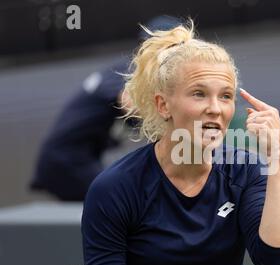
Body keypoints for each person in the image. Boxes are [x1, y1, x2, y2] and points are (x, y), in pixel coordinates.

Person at [81, 19, 280, 265]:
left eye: (226, 96)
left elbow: (274, 262)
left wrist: (279, 156)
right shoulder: (116, 188)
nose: (215, 109)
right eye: (199, 94)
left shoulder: (247, 170)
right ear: (163, 105)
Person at [28, 15, 183, 201]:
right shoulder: (129, 71)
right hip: (67, 161)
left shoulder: (136, 74)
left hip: (79, 158)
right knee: (130, 201)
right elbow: (130, 103)